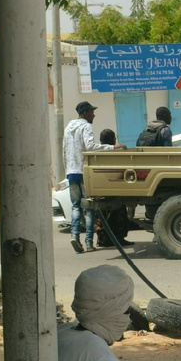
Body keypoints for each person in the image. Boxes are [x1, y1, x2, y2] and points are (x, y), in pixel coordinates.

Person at [63, 101, 122, 253]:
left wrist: (68, 169)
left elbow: (64, 151)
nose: (93, 114)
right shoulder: (86, 126)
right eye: (91, 112)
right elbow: (89, 146)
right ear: (85, 113)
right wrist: (112, 147)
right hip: (83, 171)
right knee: (89, 208)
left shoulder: (68, 128)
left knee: (76, 206)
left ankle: (74, 236)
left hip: (71, 171)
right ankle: (89, 243)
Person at [95, 129, 132, 248]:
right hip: (113, 188)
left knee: (103, 216)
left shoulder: (97, 152)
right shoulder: (112, 152)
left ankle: (103, 240)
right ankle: (118, 238)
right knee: (118, 213)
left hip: (100, 188)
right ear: (112, 140)